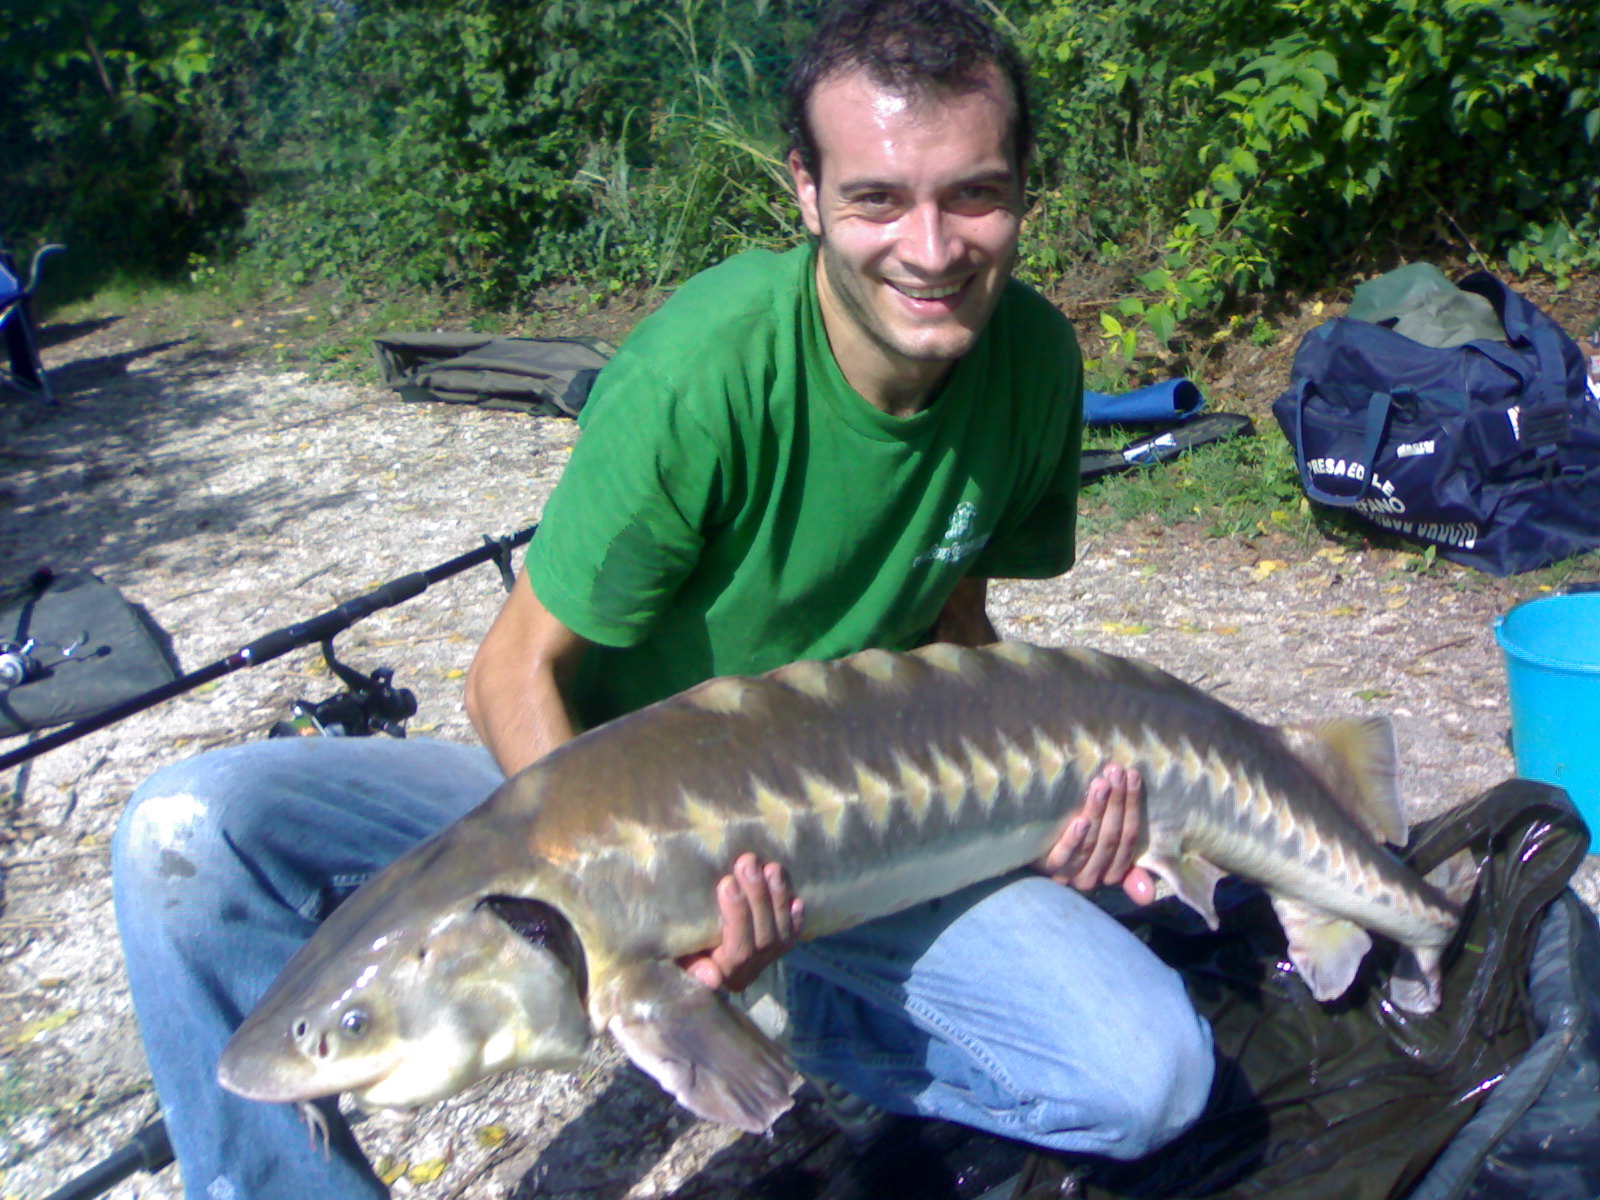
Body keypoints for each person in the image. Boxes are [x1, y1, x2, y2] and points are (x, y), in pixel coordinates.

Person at [110, 1, 1213, 1196]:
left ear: (1023, 190)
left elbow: (955, 625)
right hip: (578, 797)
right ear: (806, 192)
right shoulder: (702, 373)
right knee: (191, 826)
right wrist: (620, 921)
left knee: (1148, 1079)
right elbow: (509, 674)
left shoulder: (1033, 359)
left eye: (974, 196)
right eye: (877, 199)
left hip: (837, 827)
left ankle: (790, 1002)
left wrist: (1036, 810)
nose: (932, 248)